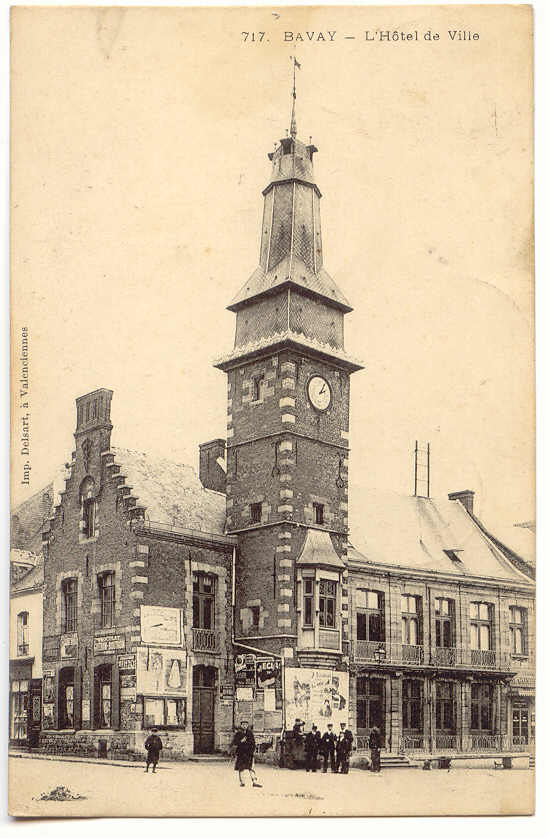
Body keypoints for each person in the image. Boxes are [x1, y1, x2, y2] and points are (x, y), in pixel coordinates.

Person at [231, 721, 262, 788]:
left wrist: (252, 751)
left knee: (251, 768)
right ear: (241, 725)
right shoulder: (238, 734)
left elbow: (253, 743)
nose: (245, 726)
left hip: (249, 753)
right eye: (243, 725)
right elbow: (234, 743)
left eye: (246, 725)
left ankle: (254, 782)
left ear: (248, 725)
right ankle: (242, 782)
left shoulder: (250, 733)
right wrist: (241, 741)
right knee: (241, 768)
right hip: (241, 753)